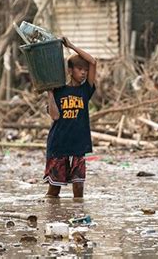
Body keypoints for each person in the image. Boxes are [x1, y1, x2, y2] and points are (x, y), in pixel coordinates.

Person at [44, 37, 97, 198]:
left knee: (79, 188)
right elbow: (54, 115)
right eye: (80, 69)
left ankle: (77, 218)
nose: (83, 73)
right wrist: (50, 92)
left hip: (78, 145)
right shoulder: (59, 91)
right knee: (54, 191)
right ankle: (53, 218)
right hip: (58, 144)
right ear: (70, 70)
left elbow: (93, 61)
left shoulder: (85, 90)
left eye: (85, 70)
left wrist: (71, 46)